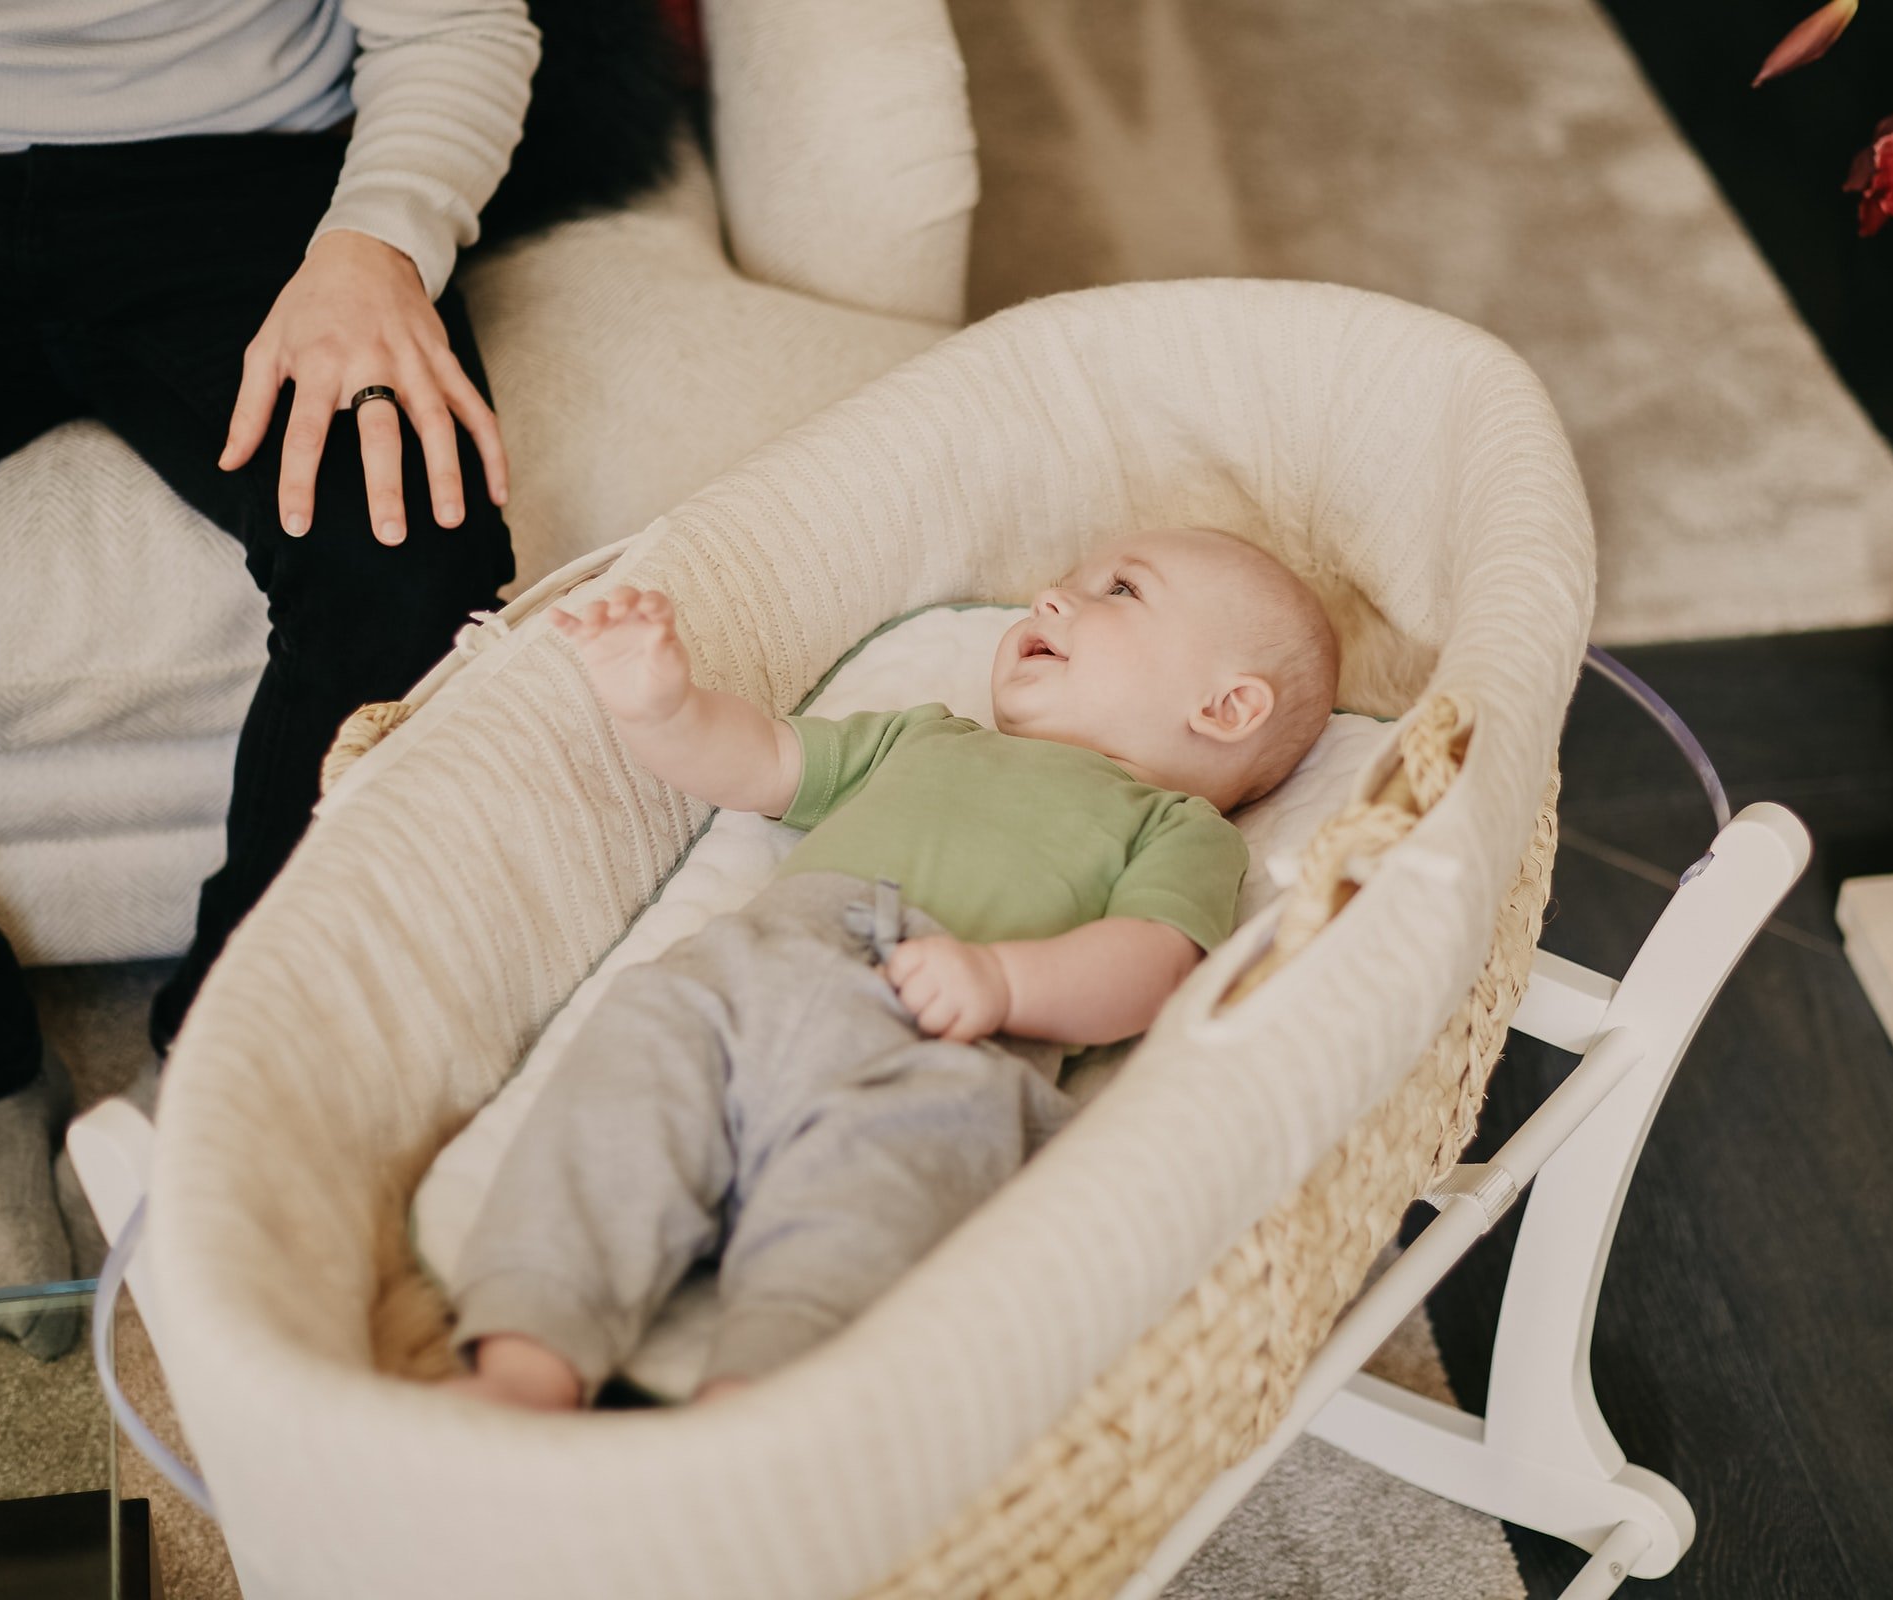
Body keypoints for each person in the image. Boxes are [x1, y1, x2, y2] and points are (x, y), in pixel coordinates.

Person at [0, 0, 675, 1345]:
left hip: (252, 179)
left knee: (413, 557)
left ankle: (222, 1051)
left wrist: (380, 239)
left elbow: (450, 24)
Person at [446, 526, 1339, 1409]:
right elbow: (761, 761)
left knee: (876, 1202)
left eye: (1121, 590)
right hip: (757, 973)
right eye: (1068, 579)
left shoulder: (1179, 831)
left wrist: (1005, 984)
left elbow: (1152, 965)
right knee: (636, 1061)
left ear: (1225, 709)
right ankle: (533, 1349)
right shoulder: (926, 738)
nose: (1052, 596)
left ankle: (757, 1401)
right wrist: (662, 709)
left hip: (940, 1048)